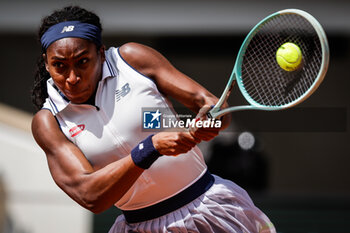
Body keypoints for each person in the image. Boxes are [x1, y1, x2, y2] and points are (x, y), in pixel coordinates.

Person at [31, 5, 276, 233]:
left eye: (83, 61)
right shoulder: (48, 121)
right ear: (47, 64)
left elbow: (211, 106)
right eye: (59, 66)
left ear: (101, 53)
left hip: (208, 207)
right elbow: (89, 195)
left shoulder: (132, 59)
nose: (72, 77)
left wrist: (209, 121)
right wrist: (151, 147)